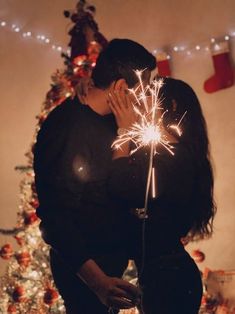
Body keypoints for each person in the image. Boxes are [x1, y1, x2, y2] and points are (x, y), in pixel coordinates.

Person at [33, 38, 156, 314]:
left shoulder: (117, 122)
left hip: (112, 267)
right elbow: (55, 218)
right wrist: (98, 282)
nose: (146, 96)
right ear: (122, 87)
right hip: (86, 278)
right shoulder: (66, 128)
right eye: (144, 88)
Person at [107, 77, 216, 314]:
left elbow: (120, 185)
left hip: (169, 279)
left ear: (171, 106)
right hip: (163, 273)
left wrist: (123, 130)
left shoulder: (174, 158)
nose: (138, 102)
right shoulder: (162, 152)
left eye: (148, 95)